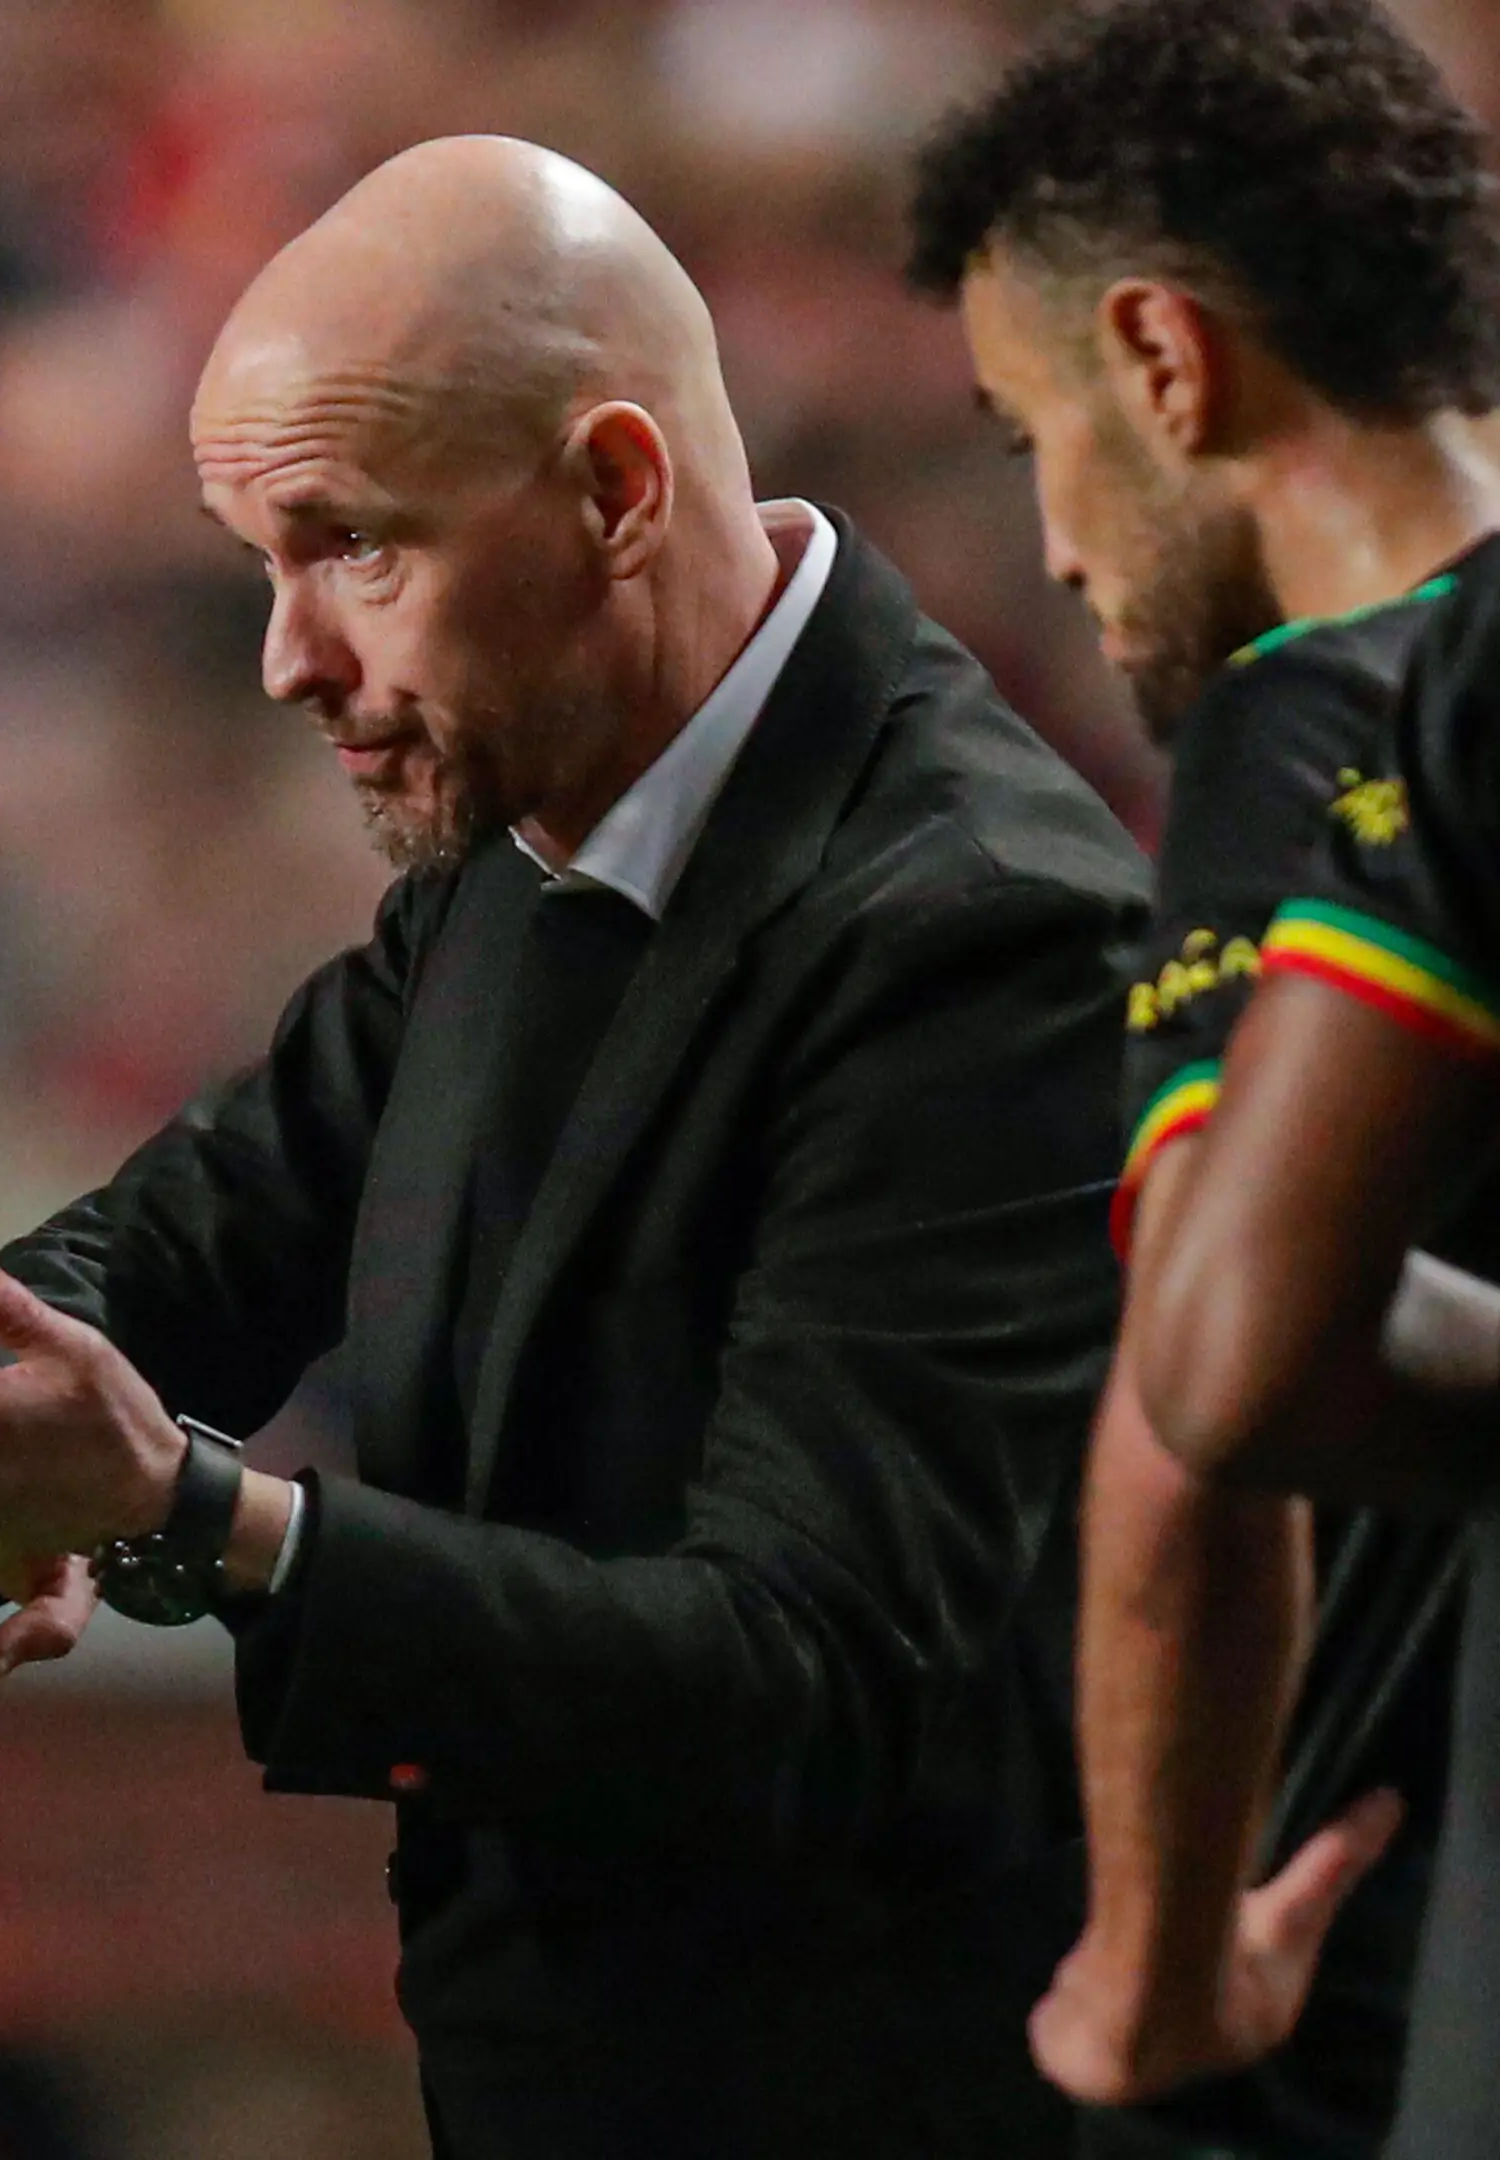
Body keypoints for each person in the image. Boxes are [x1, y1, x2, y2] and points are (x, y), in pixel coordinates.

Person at [0, 135, 1143, 2158]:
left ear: (617, 491)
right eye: (260, 564)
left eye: (351, 547)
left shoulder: (979, 936)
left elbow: (798, 1681)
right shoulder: (528, 827)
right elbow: (182, 1243)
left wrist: (195, 1517)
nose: (290, 659)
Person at [904, 3, 1500, 2151]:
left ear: (1163, 363)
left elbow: (1199, 1408)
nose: (1056, 543)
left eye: (1023, 431)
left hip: (1363, 1970)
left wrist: (1154, 1978)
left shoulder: (1331, 707)